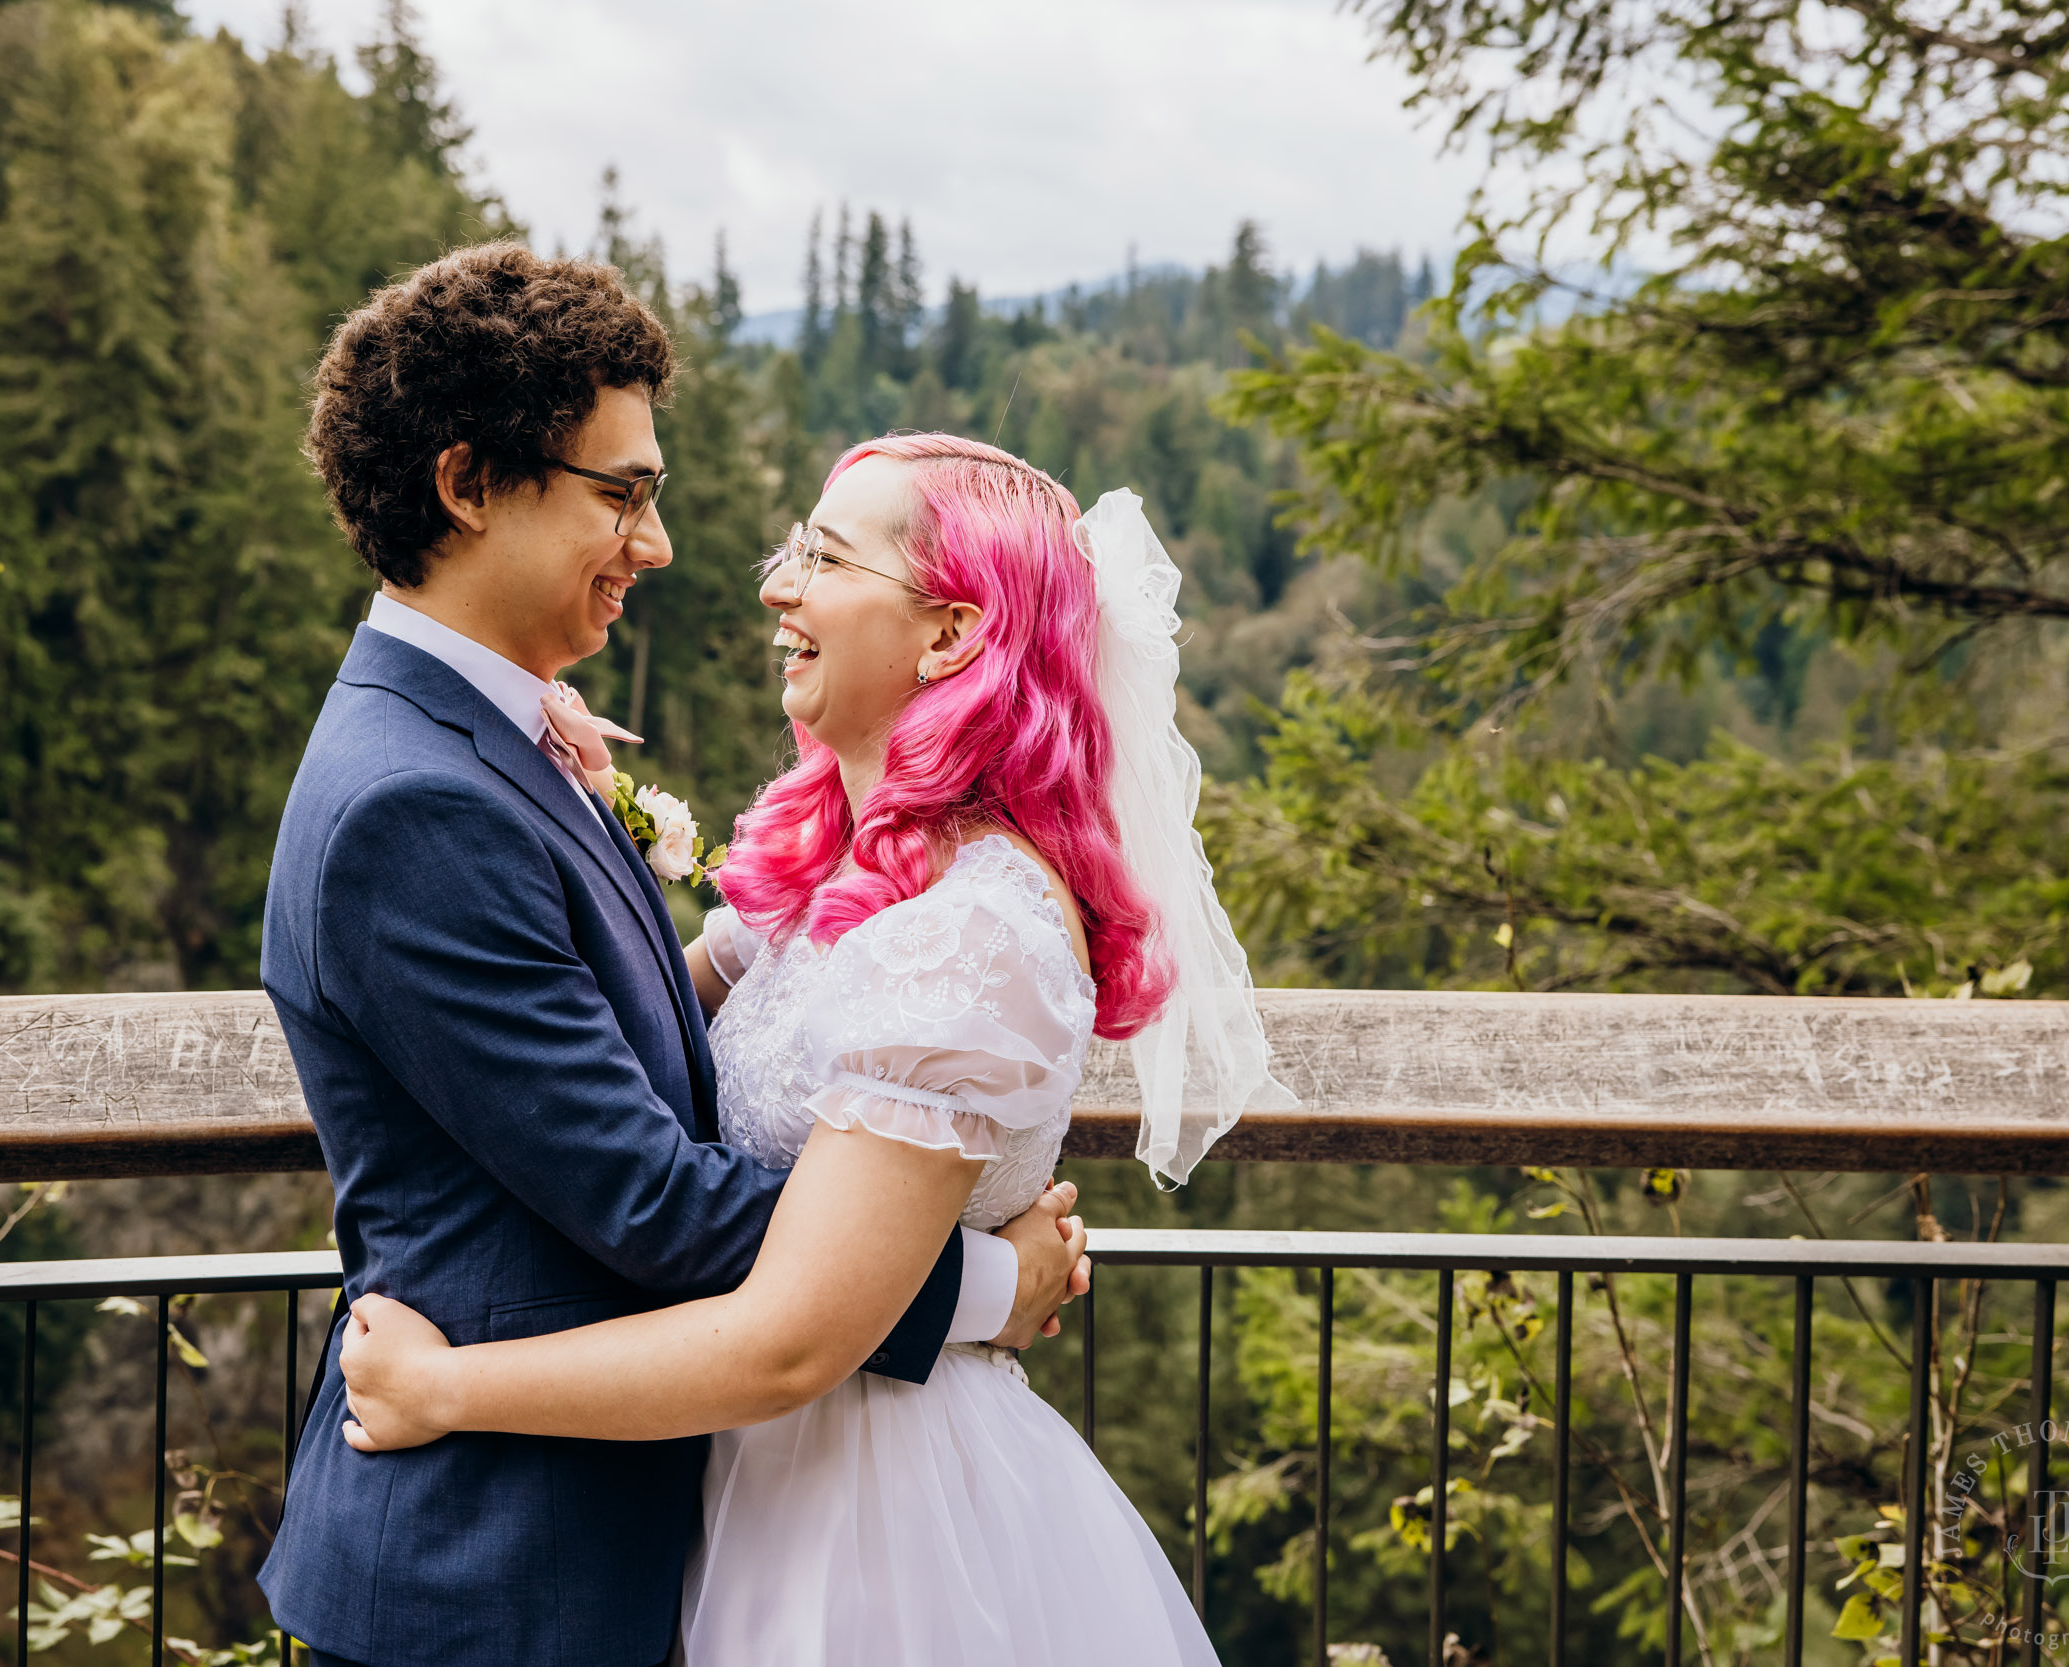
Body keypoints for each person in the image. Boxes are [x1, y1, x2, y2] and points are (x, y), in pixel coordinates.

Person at [335, 433, 1298, 1665]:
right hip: (740, 1476)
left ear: (949, 635)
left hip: (869, 1525)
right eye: (795, 547)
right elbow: (633, 1040)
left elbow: (793, 1336)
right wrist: (547, 808)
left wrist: (448, 1389)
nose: (776, 586)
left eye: (826, 558)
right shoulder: (840, 870)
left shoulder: (970, 935)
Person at [256, 248, 1089, 1667]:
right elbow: (646, 1197)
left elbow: (665, 1021)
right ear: (466, 483)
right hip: (498, 1576)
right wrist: (984, 1288)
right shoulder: (419, 805)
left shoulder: (496, 743)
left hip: (657, 1539)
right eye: (621, 493)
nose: (658, 544)